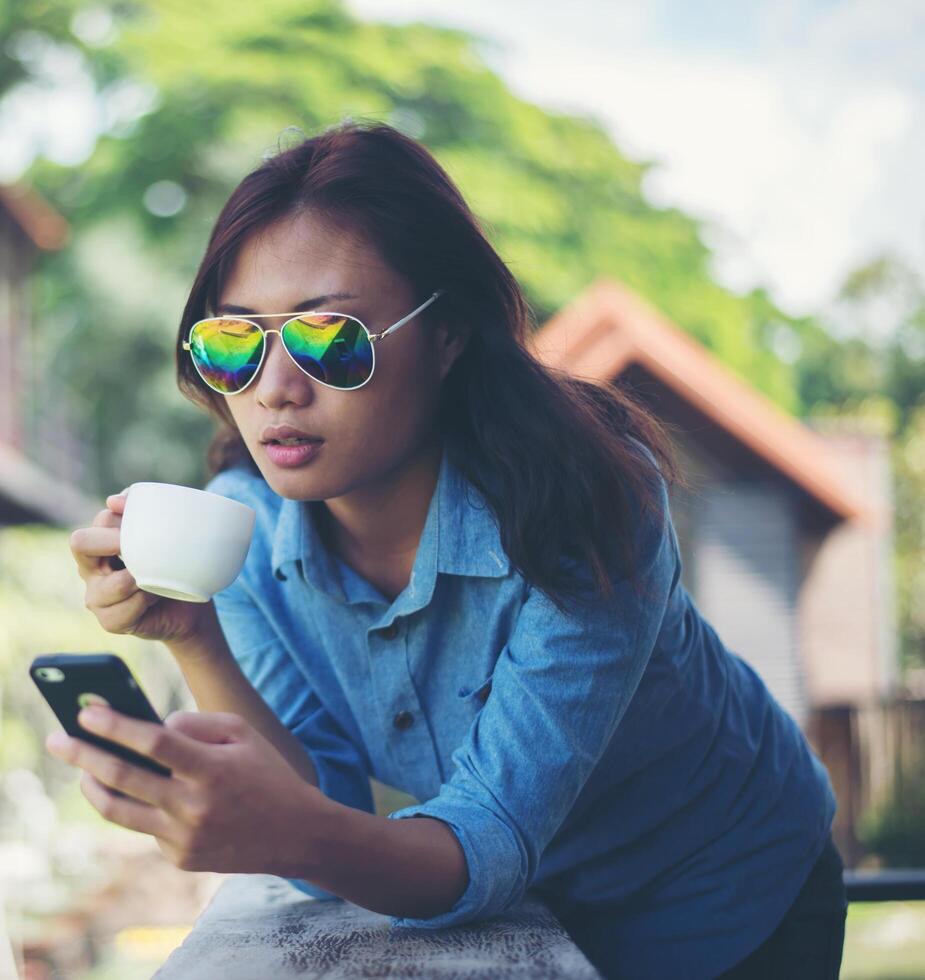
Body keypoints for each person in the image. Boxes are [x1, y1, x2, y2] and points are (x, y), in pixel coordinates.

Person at [55, 120, 846, 979]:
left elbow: (481, 835)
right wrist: (192, 634)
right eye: (234, 342)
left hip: (726, 897)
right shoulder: (239, 528)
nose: (275, 388)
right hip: (535, 920)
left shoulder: (583, 504)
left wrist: (292, 828)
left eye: (331, 340)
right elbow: (321, 815)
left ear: (449, 332)